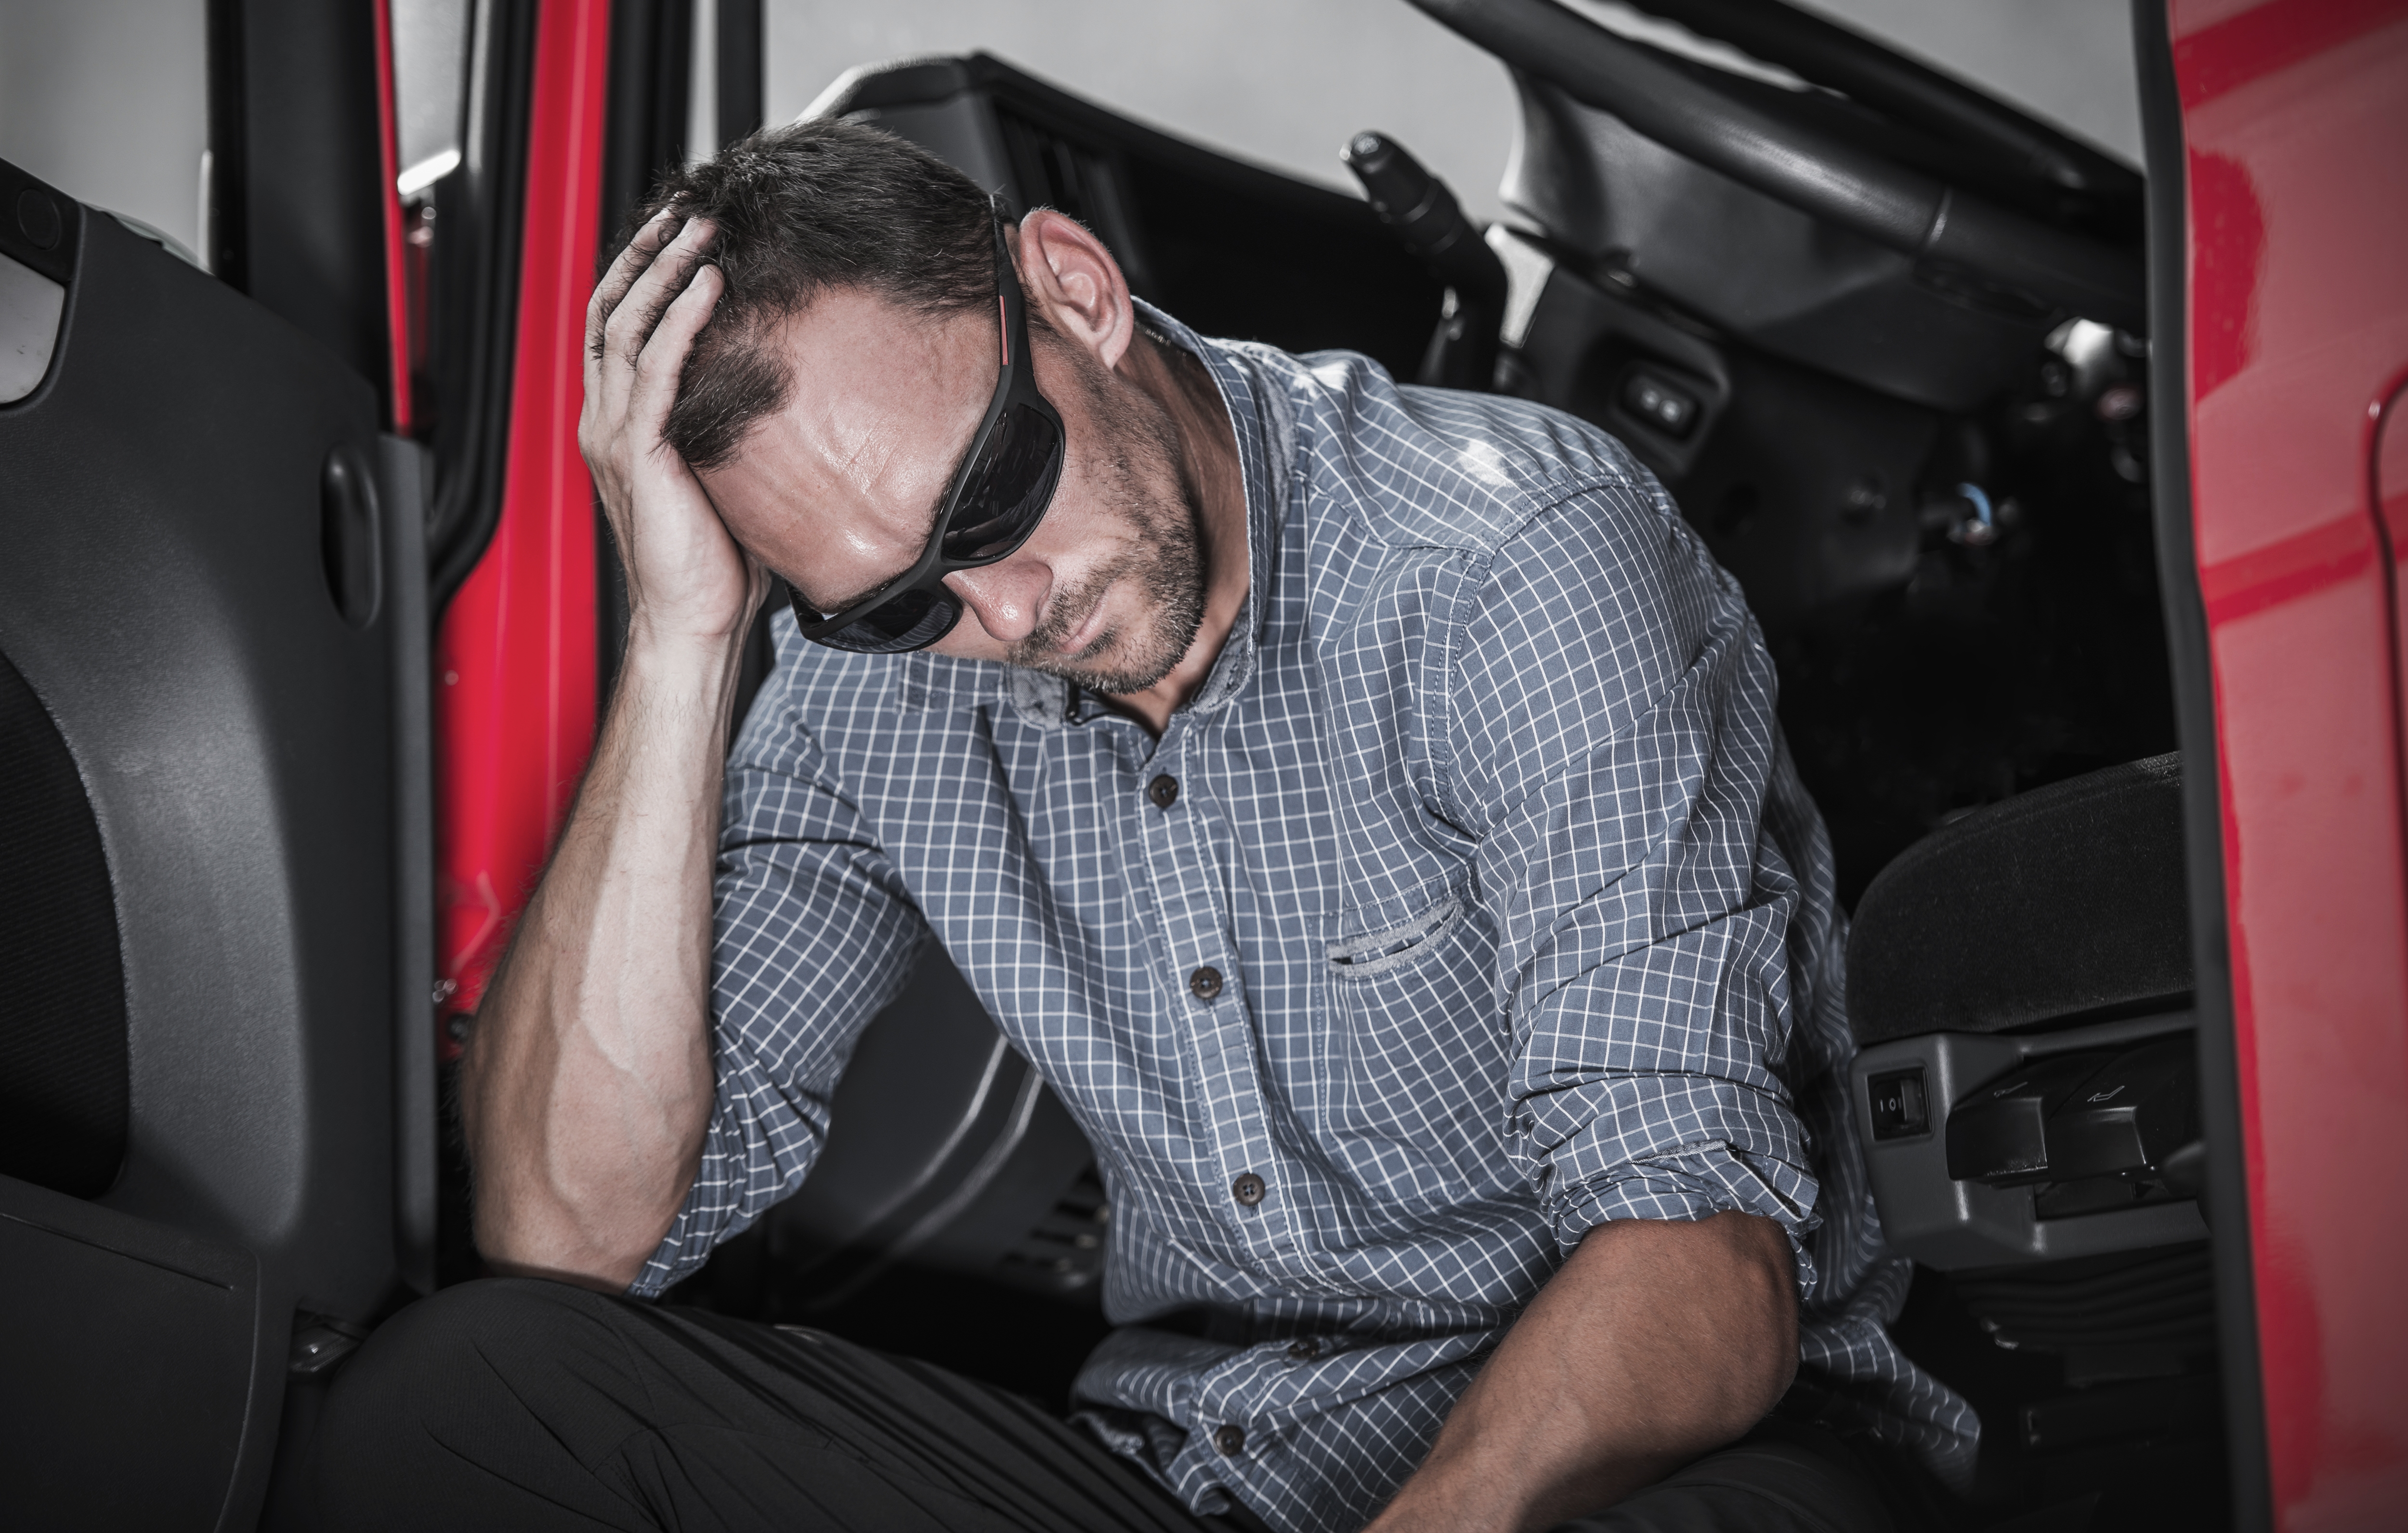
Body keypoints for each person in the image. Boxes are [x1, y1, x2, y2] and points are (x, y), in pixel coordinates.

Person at [314, 118, 1975, 1533]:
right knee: (458, 1402)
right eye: (899, 601)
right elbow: (567, 1232)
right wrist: (683, 640)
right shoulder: (875, 673)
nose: (1008, 605)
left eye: (993, 492)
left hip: (1653, 1469)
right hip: (1197, 1473)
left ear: (1076, 290)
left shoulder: (1507, 570)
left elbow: (1703, 1266)